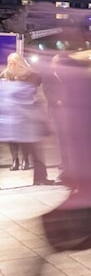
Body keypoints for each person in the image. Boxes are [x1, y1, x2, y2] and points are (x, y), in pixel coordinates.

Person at [0, 52, 52, 184]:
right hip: (14, 118)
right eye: (9, 62)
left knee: (34, 148)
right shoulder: (5, 76)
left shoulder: (32, 76)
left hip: (29, 118)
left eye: (14, 63)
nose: (11, 65)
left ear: (20, 63)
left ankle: (37, 173)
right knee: (17, 142)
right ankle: (17, 161)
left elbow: (36, 95)